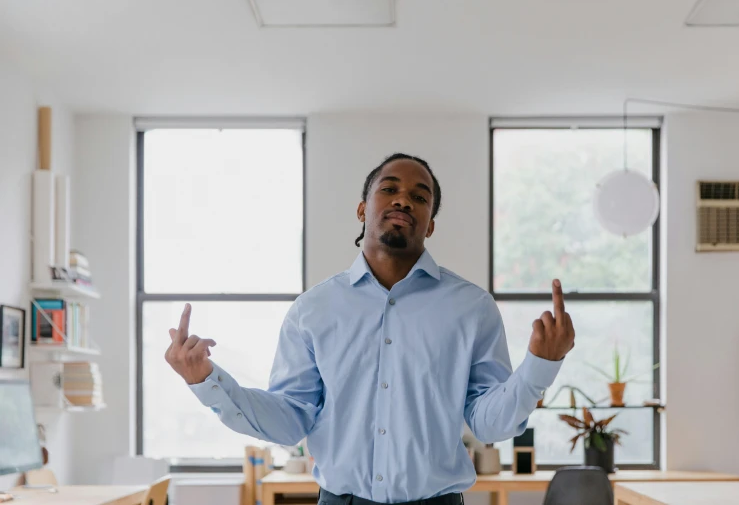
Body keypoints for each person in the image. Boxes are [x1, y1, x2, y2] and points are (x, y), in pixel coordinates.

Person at [165, 153, 575, 505]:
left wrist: (541, 365)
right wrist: (207, 381)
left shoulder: (472, 308)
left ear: (429, 224)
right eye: (389, 189)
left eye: (420, 197)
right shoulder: (313, 310)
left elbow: (490, 423)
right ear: (362, 209)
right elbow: (291, 419)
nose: (404, 199)